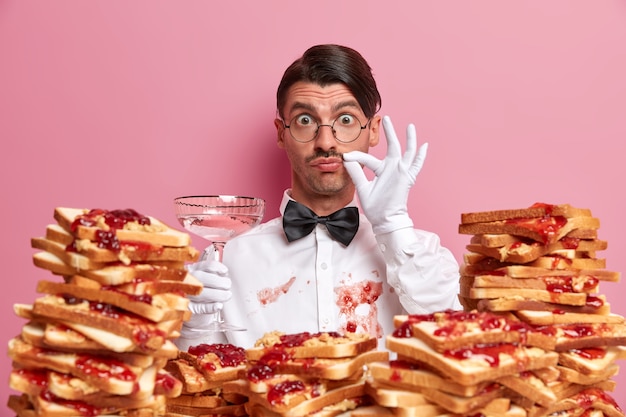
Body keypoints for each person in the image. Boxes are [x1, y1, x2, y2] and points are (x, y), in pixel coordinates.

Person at [177, 44, 461, 351]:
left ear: (374, 130)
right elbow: (200, 380)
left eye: (346, 120)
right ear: (280, 132)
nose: (326, 142)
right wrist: (193, 322)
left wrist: (394, 227)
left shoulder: (424, 254)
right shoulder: (226, 261)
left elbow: (454, 345)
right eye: (304, 120)